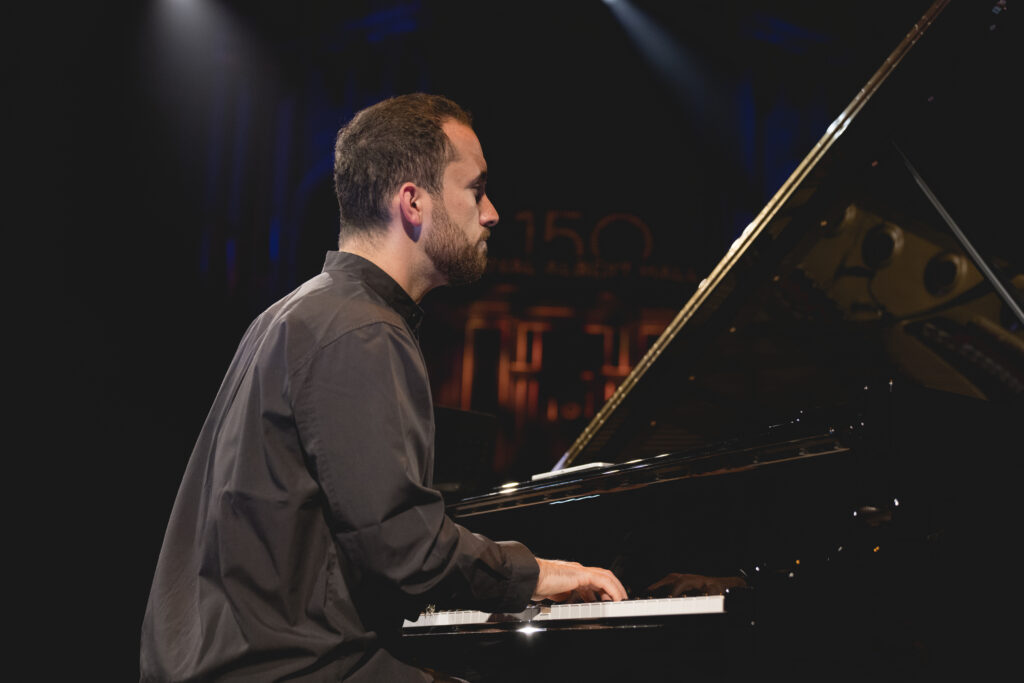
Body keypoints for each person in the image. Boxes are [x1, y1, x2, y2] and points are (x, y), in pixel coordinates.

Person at [140, 93, 627, 682]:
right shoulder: (363, 330)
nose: (492, 213)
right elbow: (406, 551)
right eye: (476, 190)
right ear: (413, 202)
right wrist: (541, 573)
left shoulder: (295, 313)